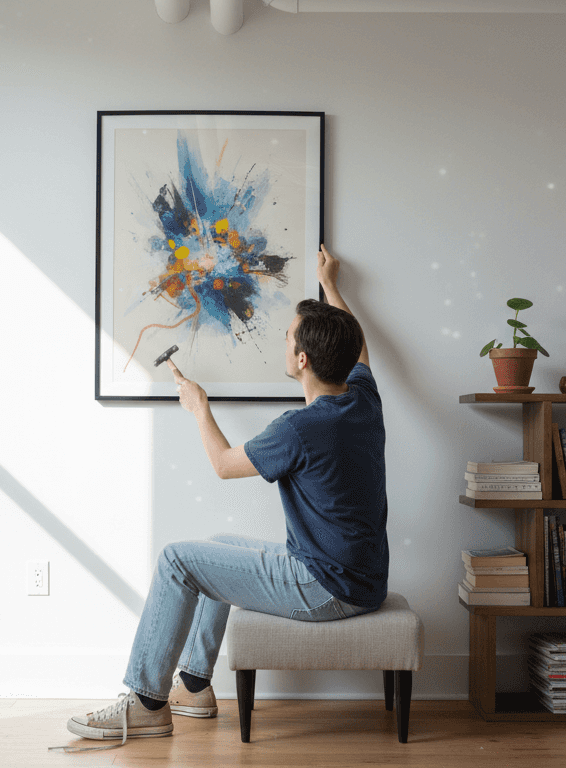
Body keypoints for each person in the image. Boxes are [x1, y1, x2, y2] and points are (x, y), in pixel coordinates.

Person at [55, 245, 388, 751]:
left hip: (325, 585)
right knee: (217, 543)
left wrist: (198, 407)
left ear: (301, 359)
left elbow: (223, 465)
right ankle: (194, 687)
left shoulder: (300, 428)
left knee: (176, 560)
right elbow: (357, 346)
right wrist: (331, 288)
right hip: (360, 577)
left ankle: (145, 705)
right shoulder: (362, 398)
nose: (283, 341)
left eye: (288, 337)